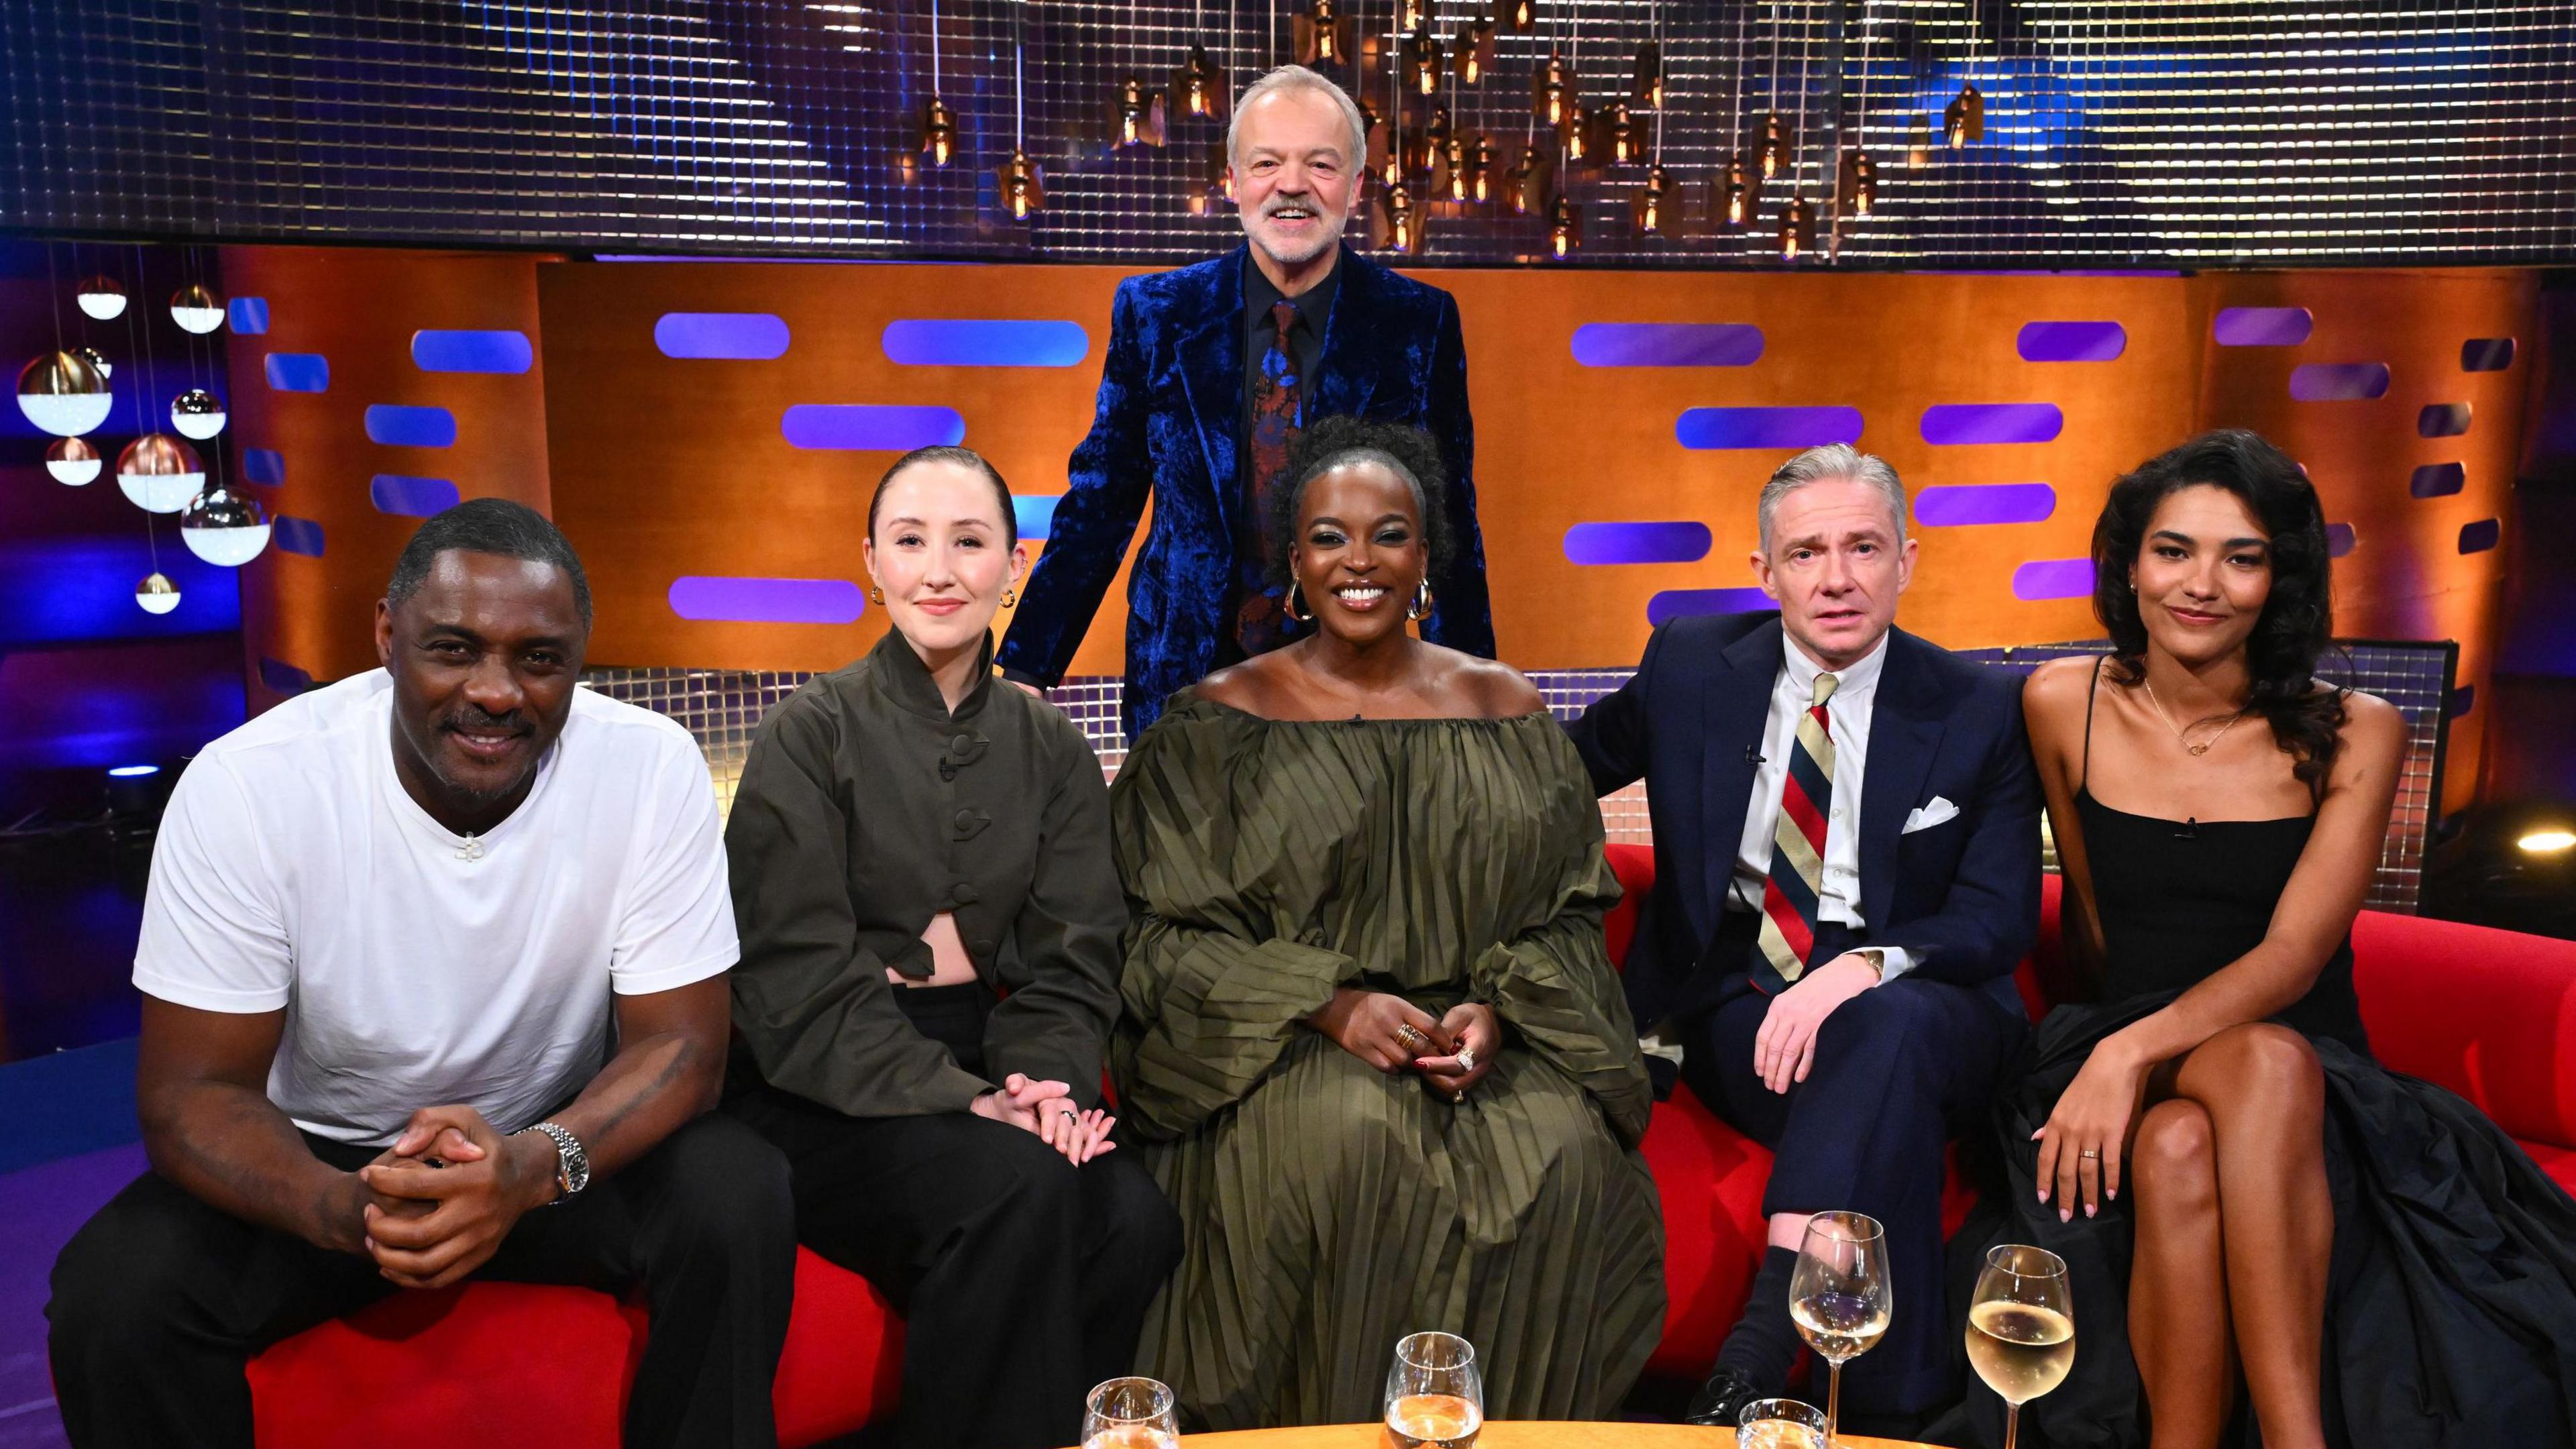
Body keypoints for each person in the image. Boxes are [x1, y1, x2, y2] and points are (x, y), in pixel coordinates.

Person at [46, 499, 793, 1449]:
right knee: (114, 1293)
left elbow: (684, 1050)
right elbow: (190, 1095)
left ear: (578, 660)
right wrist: (346, 1209)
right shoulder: (251, 784)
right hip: (323, 1159)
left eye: (540, 659)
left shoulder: (650, 766)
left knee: (734, 1189)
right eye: (453, 648)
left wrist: (526, 1170)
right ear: (387, 638)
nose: (496, 691)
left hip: (549, 1145)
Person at [1970, 429, 2576, 1448]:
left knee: (2192, 1131)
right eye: (2174, 551)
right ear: (2127, 564)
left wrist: (2130, 1055)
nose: (2201, 584)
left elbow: (2295, 957)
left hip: (2306, 1073)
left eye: (2241, 558)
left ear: (2280, 578)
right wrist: (2115, 1048)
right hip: (2119, 1045)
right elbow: (2091, 916)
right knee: (2195, 1103)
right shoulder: (2057, 701)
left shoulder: (2358, 728)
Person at [1110, 416, 1662, 1430]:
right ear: (1293, 562)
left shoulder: (1510, 714)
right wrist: (1327, 1004)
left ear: (1426, 556)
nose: (1358, 561)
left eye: (1389, 534)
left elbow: (1571, 917)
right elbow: (1160, 941)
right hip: (1284, 1045)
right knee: (1353, 1146)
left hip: (1489, 1042)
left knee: (1564, 1156)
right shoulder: (1214, 726)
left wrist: (1501, 1014)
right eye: (1329, 536)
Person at [1565, 443, 2041, 1432]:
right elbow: (1551, 779)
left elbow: (1995, 919)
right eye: (1808, 552)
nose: (1836, 579)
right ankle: (1888, 1418)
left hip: (1938, 1012)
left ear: (1907, 560)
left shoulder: (1979, 706)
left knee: (1891, 1027)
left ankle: (1756, 1351)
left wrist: (1862, 968)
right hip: (1746, 1011)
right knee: (1883, 1106)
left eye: (1864, 548)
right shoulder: (1691, 663)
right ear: (1764, 571)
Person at [722, 445, 1182, 1449]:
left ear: (1013, 566)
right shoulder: (811, 730)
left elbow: (1075, 957)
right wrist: (969, 1101)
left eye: (970, 543)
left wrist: (1045, 1091)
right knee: (1013, 1188)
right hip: (820, 1080)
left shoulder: (1053, 746)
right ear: (872, 563)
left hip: (990, 1054)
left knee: (1133, 1217)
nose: (940, 570)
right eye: (911, 541)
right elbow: (795, 979)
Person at [997, 63, 1493, 740]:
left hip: (1356, 700)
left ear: (1354, 188)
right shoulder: (1158, 313)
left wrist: (1474, 697)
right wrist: (1028, 665)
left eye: (1320, 164)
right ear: (1233, 182)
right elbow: (1101, 504)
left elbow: (1447, 523)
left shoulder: (1419, 322)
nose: (1292, 185)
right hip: (1184, 692)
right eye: (1267, 163)